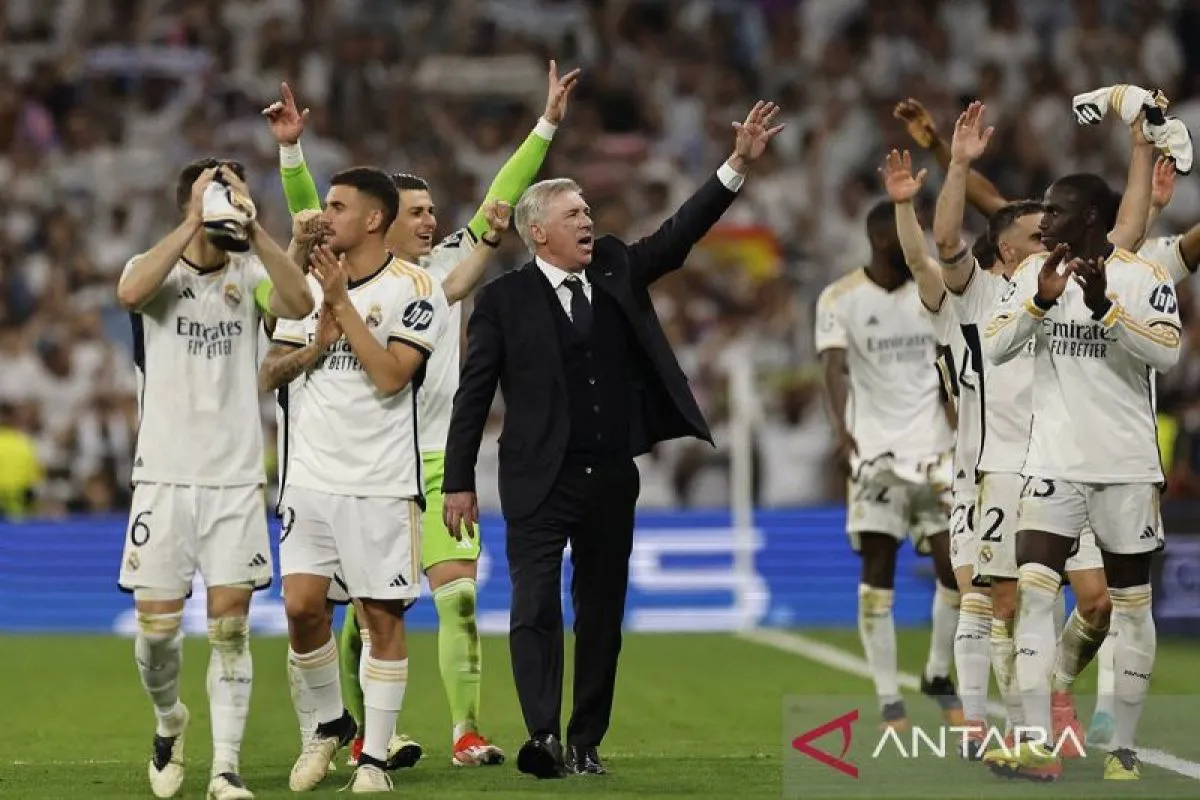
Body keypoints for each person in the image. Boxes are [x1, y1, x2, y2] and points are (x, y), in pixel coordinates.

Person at [441, 100, 783, 779]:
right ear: (539, 232)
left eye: (589, 213)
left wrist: (736, 165)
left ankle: (585, 739)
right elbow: (473, 393)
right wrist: (457, 480)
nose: (589, 222)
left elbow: (679, 235)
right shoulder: (502, 301)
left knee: (600, 614)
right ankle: (542, 736)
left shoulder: (617, 266)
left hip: (608, 475)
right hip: (536, 478)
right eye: (574, 215)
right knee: (535, 604)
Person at [262, 60, 578, 768]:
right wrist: (291, 156)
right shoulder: (345, 271)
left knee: (452, 602)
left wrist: (546, 124)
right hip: (368, 462)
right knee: (366, 611)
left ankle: (463, 730)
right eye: (420, 213)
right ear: (385, 222)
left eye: (437, 212)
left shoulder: (442, 272)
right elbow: (314, 216)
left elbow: (504, 194)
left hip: (438, 461)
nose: (434, 222)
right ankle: (364, 740)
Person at [911, 99, 1156, 774]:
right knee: (1003, 597)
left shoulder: (1070, 280)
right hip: (1000, 469)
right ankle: (1019, 732)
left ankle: (1054, 691)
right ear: (1010, 247)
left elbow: (1125, 232)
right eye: (1036, 228)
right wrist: (954, 162)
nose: (1049, 234)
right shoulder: (987, 293)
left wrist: (1140, 153)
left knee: (1100, 604)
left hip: (1066, 465)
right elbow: (948, 241)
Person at [115, 159, 314, 800]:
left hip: (234, 481)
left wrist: (256, 232)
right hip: (164, 478)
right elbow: (129, 293)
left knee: (230, 631)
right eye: (222, 195)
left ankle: (224, 770)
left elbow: (300, 301)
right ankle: (170, 719)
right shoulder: (153, 268)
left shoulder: (252, 273)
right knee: (157, 642)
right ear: (192, 204)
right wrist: (194, 218)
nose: (234, 203)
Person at [981, 172, 1181, 781]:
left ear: (1092, 216)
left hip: (1125, 467)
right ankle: (1037, 739)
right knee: (1036, 592)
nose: (1044, 220)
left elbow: (1169, 354)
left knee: (1129, 606)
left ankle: (1122, 747)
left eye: (1058, 210)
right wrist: (1041, 301)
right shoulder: (1031, 273)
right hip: (1052, 463)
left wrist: (1106, 311)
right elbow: (995, 347)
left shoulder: (1144, 278)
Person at [260, 167, 450, 793]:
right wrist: (316, 344)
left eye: (336, 206)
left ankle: (372, 760)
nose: (322, 216)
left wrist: (342, 305)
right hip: (308, 481)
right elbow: (269, 374)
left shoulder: (416, 289)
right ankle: (327, 725)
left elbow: (393, 376)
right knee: (300, 607)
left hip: (380, 484)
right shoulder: (303, 286)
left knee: (381, 619)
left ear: (372, 219)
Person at [816, 192, 963, 732]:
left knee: (957, 567)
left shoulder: (933, 290)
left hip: (936, 452)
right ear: (884, 239)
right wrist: (842, 431)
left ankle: (937, 671)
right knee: (878, 571)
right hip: (875, 452)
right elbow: (831, 367)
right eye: (908, 230)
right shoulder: (839, 297)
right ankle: (889, 701)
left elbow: (950, 360)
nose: (916, 237)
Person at [881, 147, 990, 755]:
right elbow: (920, 257)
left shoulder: (1020, 300)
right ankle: (970, 703)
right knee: (976, 584)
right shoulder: (947, 308)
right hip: (971, 460)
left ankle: (949, 676)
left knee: (1011, 592)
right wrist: (906, 207)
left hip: (1039, 461)